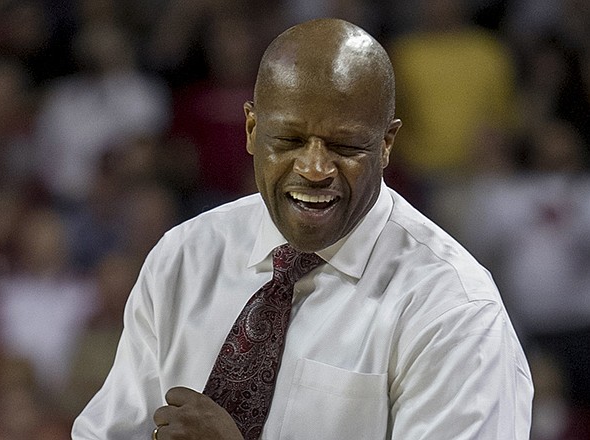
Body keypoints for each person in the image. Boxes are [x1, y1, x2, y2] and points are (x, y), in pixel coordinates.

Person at [72, 18, 533, 439]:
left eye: (345, 145)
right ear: (252, 128)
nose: (314, 168)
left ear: (387, 143)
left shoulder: (454, 310)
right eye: (289, 140)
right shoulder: (184, 256)